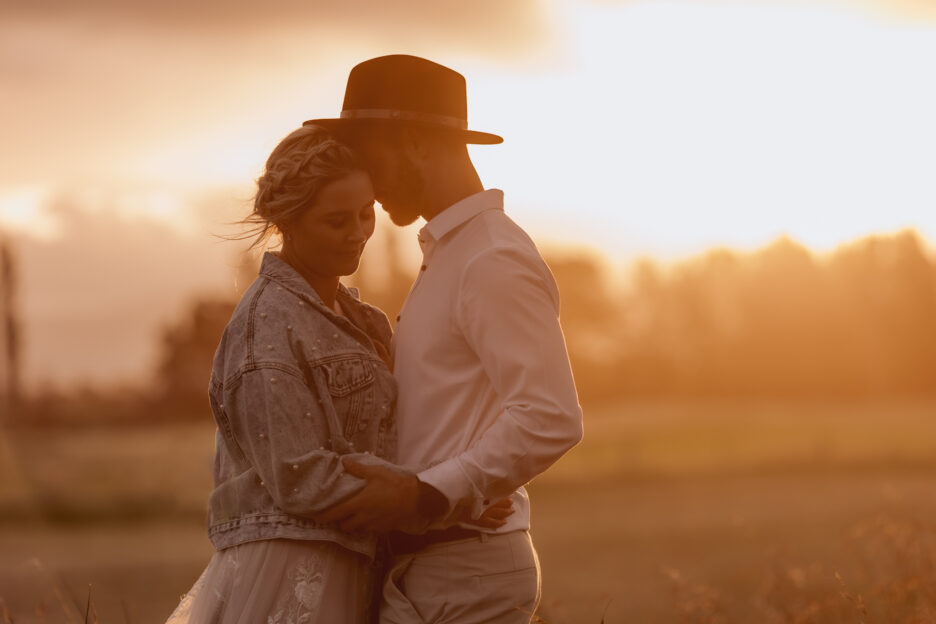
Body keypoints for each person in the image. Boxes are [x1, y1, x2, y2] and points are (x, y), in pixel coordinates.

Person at [165, 125, 512, 624]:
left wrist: (449, 491)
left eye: (365, 213)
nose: (358, 233)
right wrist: (437, 498)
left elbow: (380, 450)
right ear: (289, 221)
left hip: (352, 567)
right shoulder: (265, 324)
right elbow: (299, 475)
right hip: (288, 570)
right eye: (335, 221)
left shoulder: (359, 318)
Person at [310, 55, 585, 623]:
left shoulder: (492, 258)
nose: (368, 182)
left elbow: (549, 416)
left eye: (372, 157)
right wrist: (453, 487)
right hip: (435, 568)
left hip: (466, 574)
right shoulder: (451, 256)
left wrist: (430, 493)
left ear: (413, 142)